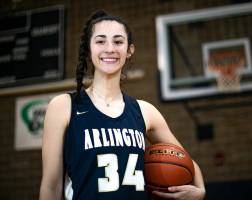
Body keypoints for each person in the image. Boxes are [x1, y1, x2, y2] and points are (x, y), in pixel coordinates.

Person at [39, 10, 206, 200]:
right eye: (100, 41)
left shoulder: (145, 112)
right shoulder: (63, 107)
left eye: (118, 41)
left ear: (129, 50)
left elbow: (184, 161)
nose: (110, 48)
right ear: (88, 49)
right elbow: (51, 186)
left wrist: (200, 191)